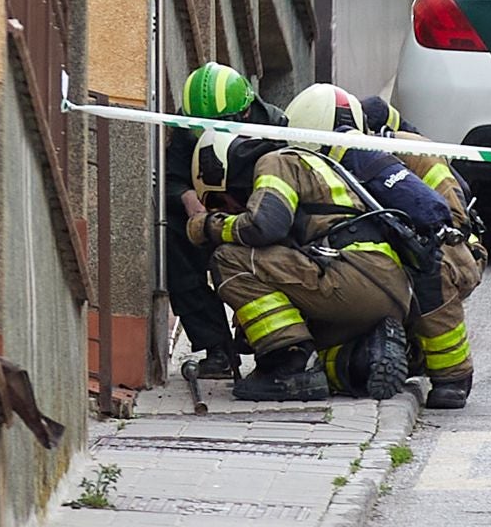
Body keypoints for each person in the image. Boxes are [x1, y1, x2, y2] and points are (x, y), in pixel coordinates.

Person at [188, 110, 412, 402]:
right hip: (384, 287)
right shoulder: (313, 165)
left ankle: (290, 366)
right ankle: (368, 354)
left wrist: (208, 225)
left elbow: (264, 225)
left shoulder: (276, 162)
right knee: (325, 358)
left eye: (220, 200)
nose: (229, 208)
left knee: (229, 258)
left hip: (352, 276)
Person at [165, 62, 289, 378]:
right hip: (207, 215)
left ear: (244, 115)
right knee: (176, 247)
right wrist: (186, 197)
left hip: (261, 216)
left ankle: (275, 347)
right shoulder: (187, 126)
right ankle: (217, 349)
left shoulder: (275, 128)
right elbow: (171, 175)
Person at [360, 96, 484, 409]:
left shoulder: (415, 152)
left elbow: (452, 220)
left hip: (454, 248)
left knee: (429, 261)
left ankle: (453, 376)